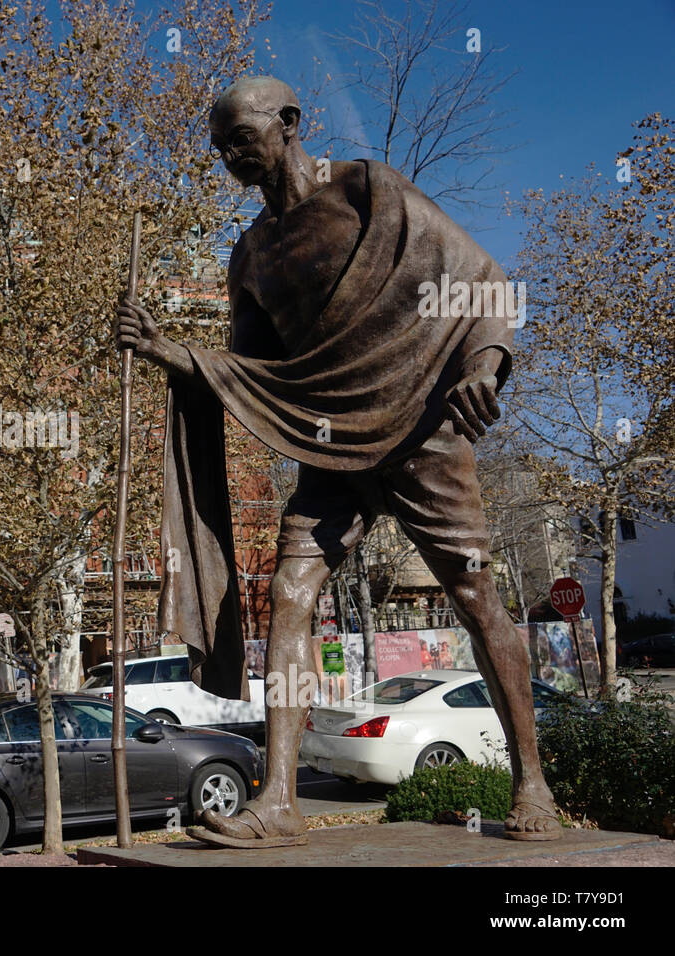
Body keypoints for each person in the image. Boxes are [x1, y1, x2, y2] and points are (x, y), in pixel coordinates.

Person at [115, 76, 560, 846]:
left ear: (289, 123)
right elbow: (247, 373)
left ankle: (534, 784)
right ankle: (279, 799)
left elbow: (483, 284)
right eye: (219, 146)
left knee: (474, 596)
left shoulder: (369, 193)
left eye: (240, 137)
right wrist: (169, 353)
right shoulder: (250, 254)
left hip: (423, 429)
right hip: (330, 445)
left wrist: (483, 368)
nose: (229, 155)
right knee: (289, 594)